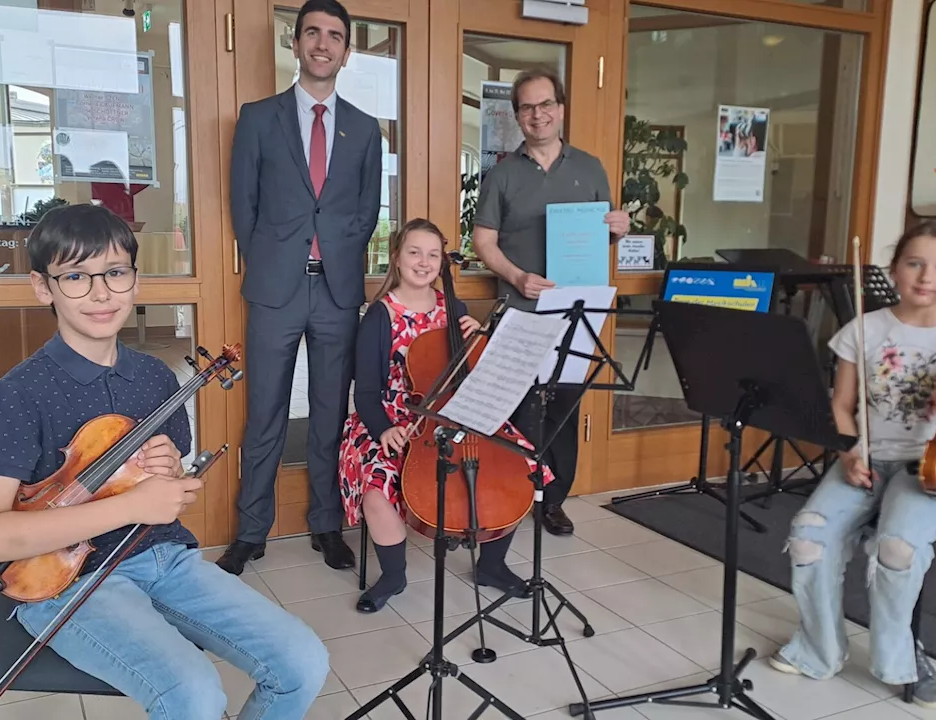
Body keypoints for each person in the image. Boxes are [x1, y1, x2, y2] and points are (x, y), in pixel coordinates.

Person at [0, 204, 330, 720]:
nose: (101, 292)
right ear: (44, 287)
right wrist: (133, 504)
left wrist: (171, 477)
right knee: (194, 694)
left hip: (163, 560)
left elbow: (170, 496)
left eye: (114, 272)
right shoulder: (23, 392)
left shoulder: (155, 377)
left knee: (303, 662)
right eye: (76, 277)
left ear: (135, 279)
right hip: (67, 580)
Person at [768, 221, 936, 709]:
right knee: (809, 537)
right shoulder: (863, 329)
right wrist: (849, 452)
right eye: (914, 263)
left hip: (935, 466)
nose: (926, 276)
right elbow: (841, 405)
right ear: (895, 269)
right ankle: (819, 649)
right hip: (867, 458)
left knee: (897, 548)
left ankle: (902, 659)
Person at [222, 0, 382, 574]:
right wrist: (275, 257)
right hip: (275, 291)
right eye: (312, 32)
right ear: (296, 43)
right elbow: (244, 207)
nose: (323, 43)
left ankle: (327, 524)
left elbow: (367, 212)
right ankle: (251, 531)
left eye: (334, 36)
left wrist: (335, 252)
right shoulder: (258, 117)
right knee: (264, 412)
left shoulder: (365, 129)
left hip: (337, 292)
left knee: (329, 415)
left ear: (346, 50)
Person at [338, 218, 555, 612]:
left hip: (457, 411)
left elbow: (474, 375)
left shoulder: (453, 308)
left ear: (442, 263)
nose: (423, 262)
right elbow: (366, 392)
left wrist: (481, 340)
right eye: (414, 253)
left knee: (519, 460)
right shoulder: (379, 317)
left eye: (433, 255)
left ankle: (492, 565)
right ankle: (393, 575)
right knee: (376, 485)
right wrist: (384, 430)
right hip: (394, 415)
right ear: (398, 259)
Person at [470, 68, 631, 536]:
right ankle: (512, 496)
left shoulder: (590, 168)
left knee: (562, 407)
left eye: (545, 105)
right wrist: (516, 276)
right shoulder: (502, 174)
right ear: (517, 115)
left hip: (576, 310)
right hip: (518, 312)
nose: (537, 114)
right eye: (527, 107)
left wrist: (617, 230)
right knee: (517, 408)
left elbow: (600, 236)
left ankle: (553, 500)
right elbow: (484, 241)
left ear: (560, 109)